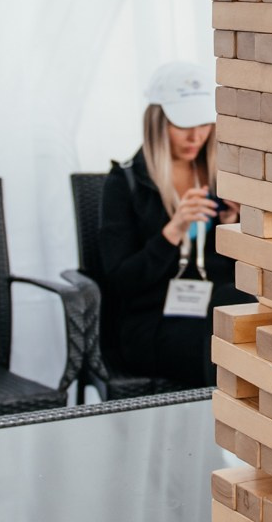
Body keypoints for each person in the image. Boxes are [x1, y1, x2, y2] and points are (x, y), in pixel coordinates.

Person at [98, 62, 250, 386]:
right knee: (225, 340)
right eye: (183, 125)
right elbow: (120, 282)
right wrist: (172, 232)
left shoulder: (220, 177)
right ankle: (223, 428)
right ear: (157, 121)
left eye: (204, 123)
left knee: (245, 313)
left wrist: (233, 225)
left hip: (214, 304)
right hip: (154, 318)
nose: (196, 135)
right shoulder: (125, 184)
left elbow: (237, 273)